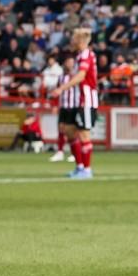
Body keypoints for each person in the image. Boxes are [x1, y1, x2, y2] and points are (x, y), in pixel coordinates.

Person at [50, 29, 98, 179]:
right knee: (69, 131)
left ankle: (87, 170)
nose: (72, 40)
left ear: (81, 40)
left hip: (87, 100)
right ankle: (79, 166)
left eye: (74, 37)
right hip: (78, 100)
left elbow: (82, 76)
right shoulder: (79, 56)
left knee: (84, 133)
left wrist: (61, 88)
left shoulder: (86, 55)